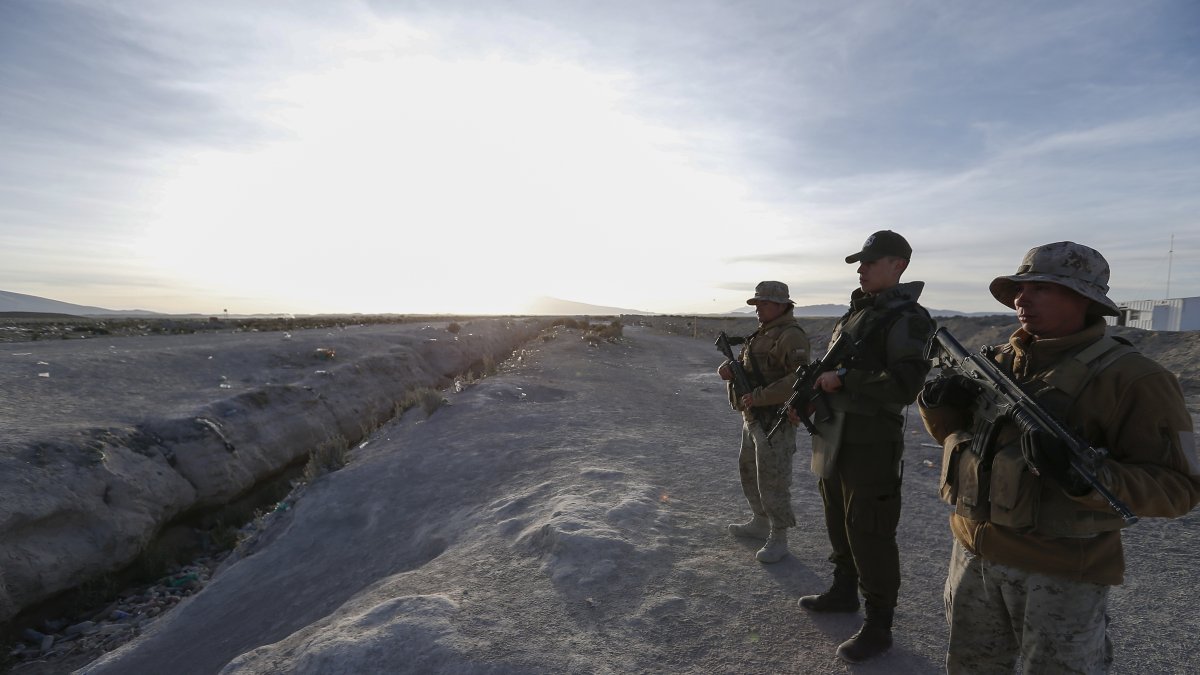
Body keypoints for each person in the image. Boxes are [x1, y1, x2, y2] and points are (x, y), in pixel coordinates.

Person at [918, 241, 1200, 673]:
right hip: (972, 556)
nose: (1021, 299)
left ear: (1084, 299)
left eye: (1042, 288)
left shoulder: (1135, 378)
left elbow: (1179, 488)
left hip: (1060, 574)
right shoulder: (997, 361)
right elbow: (961, 443)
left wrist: (1086, 478)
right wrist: (936, 405)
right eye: (1019, 288)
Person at [795, 230, 934, 663]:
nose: (862, 270)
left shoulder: (907, 319)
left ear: (899, 265)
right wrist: (811, 397)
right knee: (837, 516)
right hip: (834, 433)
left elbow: (906, 385)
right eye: (861, 263)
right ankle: (843, 591)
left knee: (870, 529)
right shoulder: (857, 313)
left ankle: (879, 625)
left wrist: (845, 379)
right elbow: (831, 369)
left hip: (872, 440)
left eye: (871, 262)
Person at [718, 281, 810, 564]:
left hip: (775, 421)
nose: (758, 309)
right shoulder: (761, 333)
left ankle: (779, 536)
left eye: (765, 304)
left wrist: (760, 397)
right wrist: (729, 369)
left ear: (782, 305)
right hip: (753, 417)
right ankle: (760, 521)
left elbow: (800, 379)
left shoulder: (791, 336)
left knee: (773, 479)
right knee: (748, 471)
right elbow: (749, 367)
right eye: (757, 304)